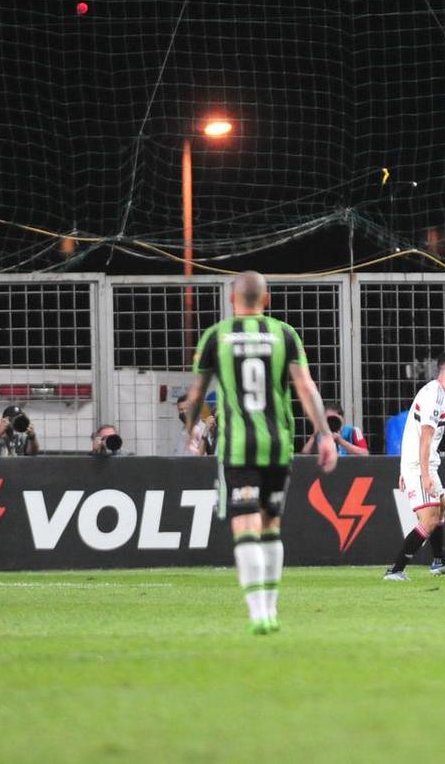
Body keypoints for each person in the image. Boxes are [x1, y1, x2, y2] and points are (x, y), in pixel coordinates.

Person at [184, 271, 338, 635]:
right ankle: (271, 607)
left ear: (231, 300)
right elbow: (306, 388)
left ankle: (257, 614)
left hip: (238, 446)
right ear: (266, 299)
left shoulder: (216, 336)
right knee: (271, 525)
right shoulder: (284, 334)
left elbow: (196, 394)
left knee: (245, 526)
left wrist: (192, 428)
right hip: (277, 444)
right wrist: (325, 435)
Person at [384, 351, 445, 580]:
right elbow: (424, 437)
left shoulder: (437, 393)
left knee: (441, 507)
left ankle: (439, 561)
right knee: (430, 519)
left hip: (422, 463)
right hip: (420, 465)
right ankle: (395, 570)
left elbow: (414, 433)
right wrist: (423, 474)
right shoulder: (434, 396)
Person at [301, 404, 369, 456]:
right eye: (328, 419)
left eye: (334, 418)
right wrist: (315, 434)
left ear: (342, 418)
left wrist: (341, 441)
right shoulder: (320, 434)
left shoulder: (353, 431)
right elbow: (305, 453)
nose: (331, 421)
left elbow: (365, 453)